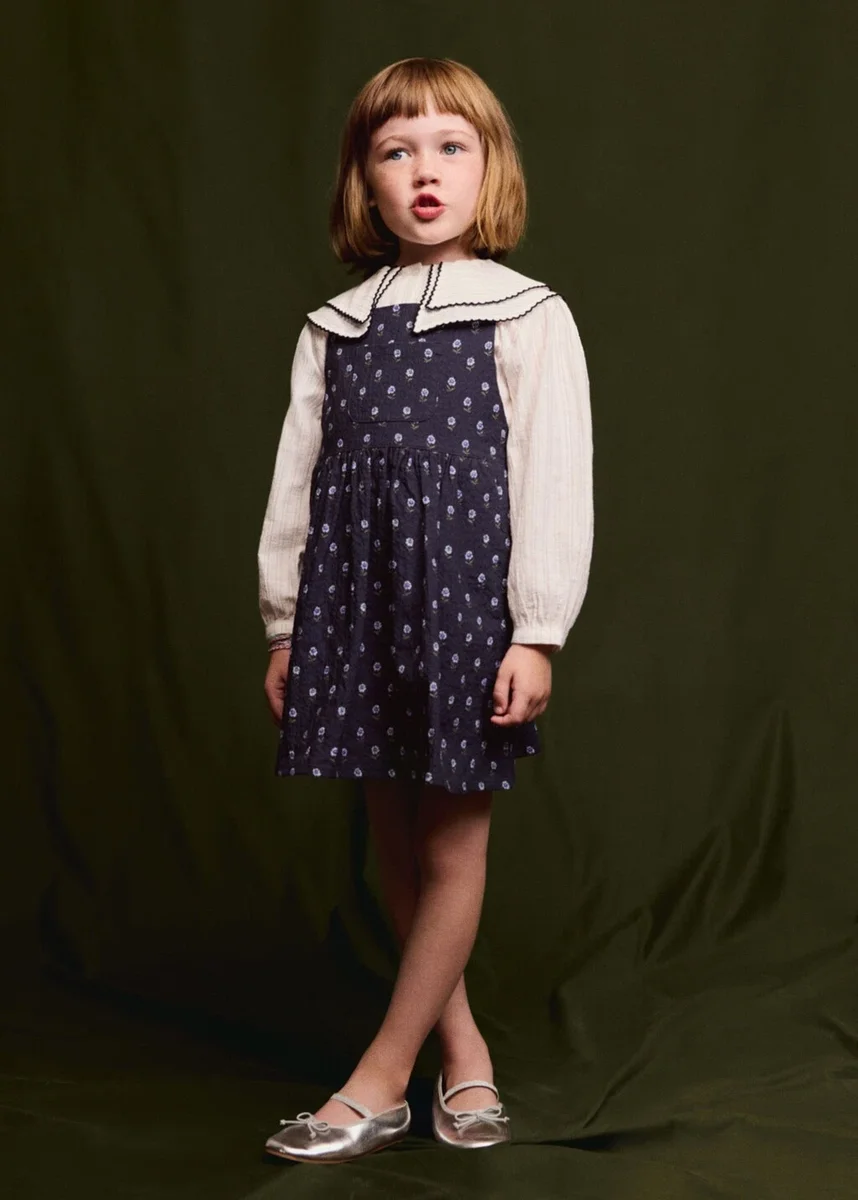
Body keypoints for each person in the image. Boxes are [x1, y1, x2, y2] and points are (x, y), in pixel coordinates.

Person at [257, 56, 594, 1163]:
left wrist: (536, 628)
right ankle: (466, 1054)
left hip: (463, 606)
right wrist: (286, 625)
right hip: (354, 606)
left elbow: (554, 478)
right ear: (366, 180)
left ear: (489, 168)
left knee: (451, 843)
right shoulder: (334, 326)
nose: (425, 172)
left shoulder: (528, 314)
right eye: (396, 152)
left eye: (452, 147)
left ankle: (379, 1081)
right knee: (391, 844)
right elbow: (297, 483)